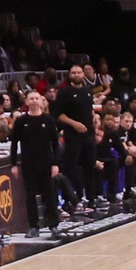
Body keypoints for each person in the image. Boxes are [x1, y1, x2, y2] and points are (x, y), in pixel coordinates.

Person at [13, 92, 62, 232]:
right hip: (28, 164)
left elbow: (55, 144)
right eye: (31, 99)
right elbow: (14, 143)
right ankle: (33, 226)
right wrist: (14, 164)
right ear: (26, 102)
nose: (34, 101)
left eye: (36, 98)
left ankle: (53, 224)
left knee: (50, 194)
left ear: (41, 101)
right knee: (30, 196)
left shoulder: (48, 120)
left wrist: (55, 163)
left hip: (46, 163)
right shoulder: (21, 121)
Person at [53, 65, 100, 210]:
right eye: (73, 72)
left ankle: (91, 199)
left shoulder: (87, 91)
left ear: (83, 74)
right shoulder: (64, 92)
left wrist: (94, 118)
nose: (77, 75)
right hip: (73, 135)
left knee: (90, 167)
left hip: (89, 135)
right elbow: (59, 115)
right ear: (69, 75)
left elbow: (89, 109)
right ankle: (70, 200)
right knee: (71, 168)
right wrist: (74, 124)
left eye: (79, 72)